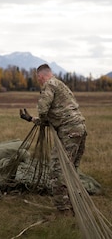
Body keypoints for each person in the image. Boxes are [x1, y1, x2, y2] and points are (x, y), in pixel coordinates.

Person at [20, 63, 87, 211]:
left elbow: (43, 110)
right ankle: (76, 201)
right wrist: (31, 119)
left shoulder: (49, 85)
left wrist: (41, 117)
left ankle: (64, 209)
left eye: (38, 79)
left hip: (69, 131)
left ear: (41, 76)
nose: (38, 81)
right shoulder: (61, 85)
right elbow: (55, 116)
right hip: (80, 129)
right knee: (71, 169)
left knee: (57, 170)